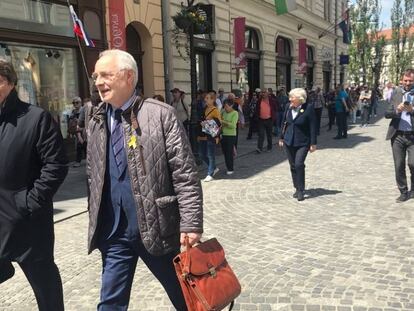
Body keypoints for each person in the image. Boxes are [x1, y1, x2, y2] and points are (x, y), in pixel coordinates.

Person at [88, 49, 203, 310]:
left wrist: (191, 223)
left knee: (186, 297)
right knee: (110, 303)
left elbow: (185, 173)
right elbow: (93, 174)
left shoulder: (161, 115)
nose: (97, 82)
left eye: (105, 75)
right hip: (113, 230)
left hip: (157, 228)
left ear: (128, 77)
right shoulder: (95, 118)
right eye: (96, 75)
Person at [0, 59, 68, 310]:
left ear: (8, 83)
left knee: (45, 285)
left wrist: (29, 202)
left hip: (27, 222)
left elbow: (56, 165)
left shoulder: (35, 118)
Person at [279, 88, 317, 202]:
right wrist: (281, 137)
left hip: (303, 142)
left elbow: (313, 127)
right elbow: (284, 123)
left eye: (292, 97)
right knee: (293, 165)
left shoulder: (308, 108)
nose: (290, 99)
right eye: (290, 97)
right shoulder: (288, 107)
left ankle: (301, 189)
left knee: (299, 164)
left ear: (300, 99)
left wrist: (313, 143)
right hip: (289, 140)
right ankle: (296, 187)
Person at [385, 68, 414, 203]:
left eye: (410, 81)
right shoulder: (396, 93)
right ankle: (403, 191)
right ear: (402, 80)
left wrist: (412, 110)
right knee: (399, 165)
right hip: (397, 136)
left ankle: (413, 190)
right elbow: (387, 113)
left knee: (413, 163)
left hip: (412, 136)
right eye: (405, 80)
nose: (407, 83)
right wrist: (397, 110)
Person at [198, 91, 221, 182]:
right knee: (202, 154)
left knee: (210, 155)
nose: (205, 100)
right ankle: (214, 168)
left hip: (211, 135)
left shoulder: (215, 110)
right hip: (203, 134)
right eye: (205, 98)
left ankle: (210, 173)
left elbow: (219, 124)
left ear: (213, 100)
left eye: (207, 98)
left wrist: (217, 136)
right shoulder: (205, 109)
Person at [221, 98, 239, 175]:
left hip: (231, 135)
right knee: (225, 152)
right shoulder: (223, 112)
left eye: (227, 106)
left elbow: (233, 125)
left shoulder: (235, 113)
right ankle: (227, 166)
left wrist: (224, 122)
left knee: (229, 152)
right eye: (224, 106)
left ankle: (230, 168)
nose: (225, 108)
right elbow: (219, 120)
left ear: (231, 105)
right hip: (223, 134)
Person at [256, 88, 277, 153]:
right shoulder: (259, 101)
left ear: (268, 93)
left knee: (269, 135)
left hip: (269, 120)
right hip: (261, 120)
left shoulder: (272, 100)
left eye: (264, 92)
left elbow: (276, 108)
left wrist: (273, 116)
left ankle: (269, 147)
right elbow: (257, 109)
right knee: (261, 134)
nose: (263, 94)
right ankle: (259, 148)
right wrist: (257, 117)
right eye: (262, 92)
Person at [69, 96, 86, 167]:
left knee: (84, 145)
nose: (75, 104)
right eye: (74, 103)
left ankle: (87, 160)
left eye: (77, 103)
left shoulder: (84, 110)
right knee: (79, 146)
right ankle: (78, 161)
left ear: (80, 103)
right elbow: (71, 122)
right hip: (77, 131)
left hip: (84, 130)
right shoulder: (73, 112)